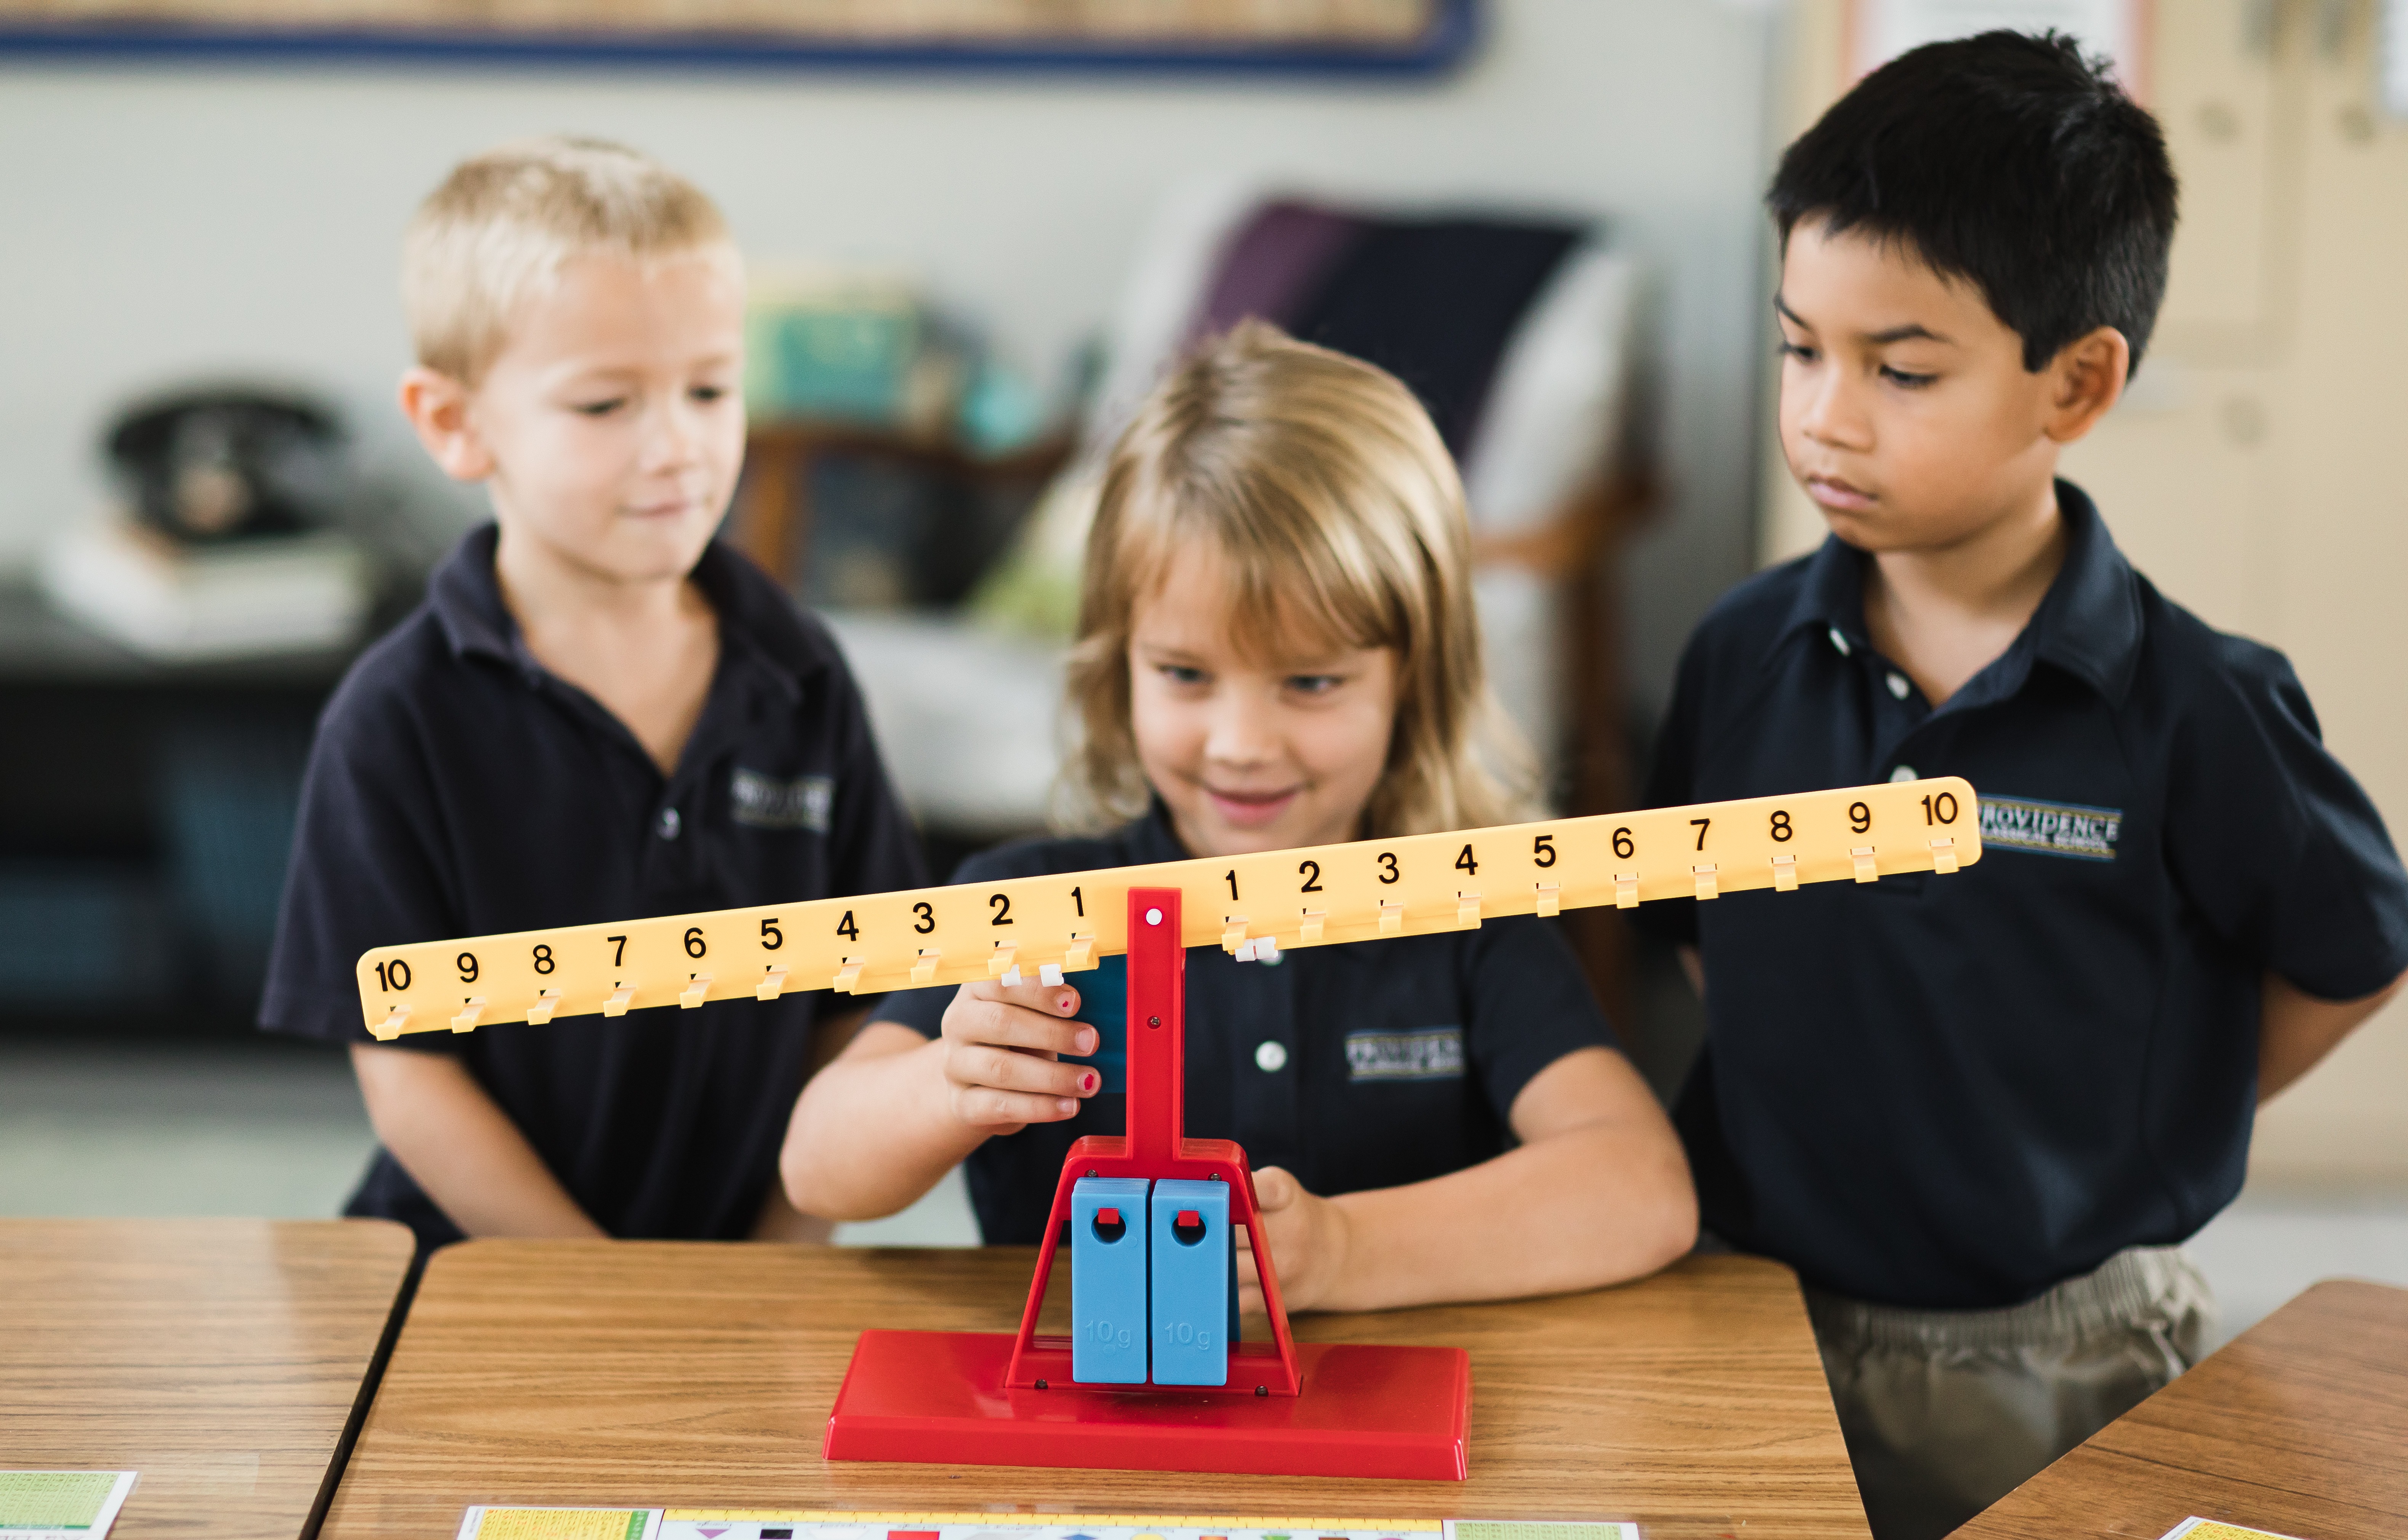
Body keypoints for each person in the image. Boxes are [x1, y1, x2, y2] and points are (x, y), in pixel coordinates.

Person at [1640, 31, 2408, 1539]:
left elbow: (2353, 955)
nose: (1825, 415)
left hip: (2054, 1352)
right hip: (1743, 1304)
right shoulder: (1740, 650)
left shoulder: (2199, 703)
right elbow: (1689, 926)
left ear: (2077, 383)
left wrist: (2149, 1112)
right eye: (1803, 348)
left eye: (1900, 369)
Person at [781, 322, 1695, 1313]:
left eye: (1308, 681)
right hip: (1080, 1446)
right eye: (1183, 673)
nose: (1240, 741)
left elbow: (1642, 1188)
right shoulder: (1029, 906)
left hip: (1394, 1450)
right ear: (1115, 662)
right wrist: (945, 1085)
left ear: (1412, 681)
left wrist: (1346, 1251)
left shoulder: (1464, 919)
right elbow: (818, 1165)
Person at [259, 138, 924, 1252]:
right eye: (607, 404)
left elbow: (858, 1006)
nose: (679, 448)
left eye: (710, 389)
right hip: (473, 1283)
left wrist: (778, 1255)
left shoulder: (801, 674)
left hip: (743, 1277)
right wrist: (601, 1293)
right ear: (454, 423)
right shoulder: (396, 717)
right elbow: (409, 1076)